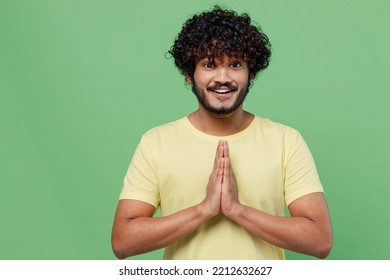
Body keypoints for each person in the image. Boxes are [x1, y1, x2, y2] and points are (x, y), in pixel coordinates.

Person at [111, 6, 333, 260]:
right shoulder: (155, 142)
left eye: (235, 64)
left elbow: (319, 240)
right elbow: (123, 241)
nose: (223, 77)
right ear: (189, 74)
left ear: (251, 74)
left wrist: (236, 210)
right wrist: (204, 209)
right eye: (209, 64)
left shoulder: (286, 141)